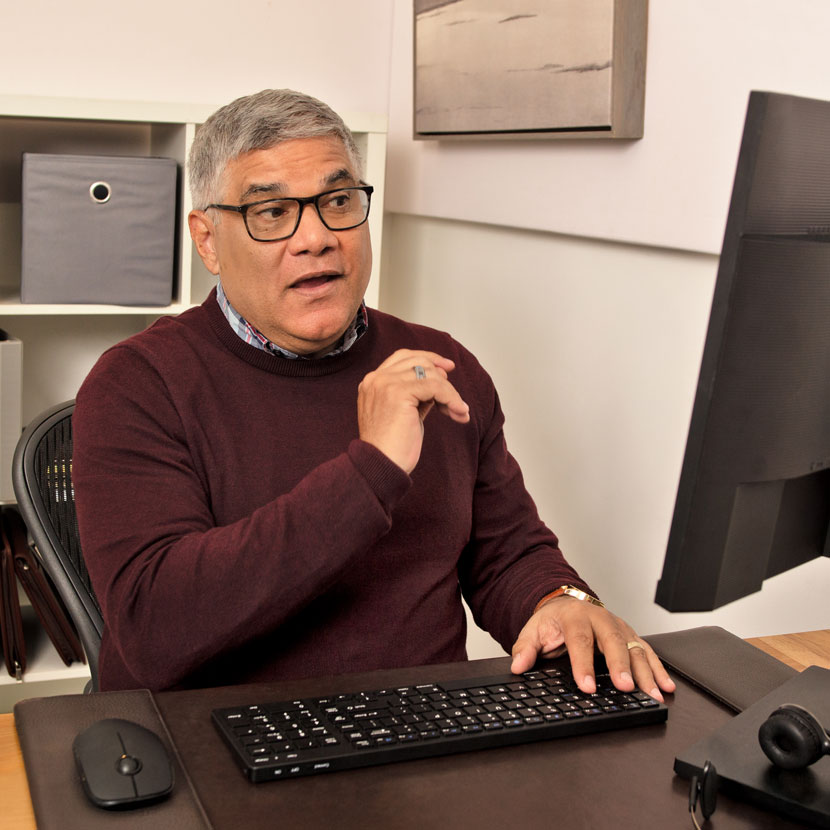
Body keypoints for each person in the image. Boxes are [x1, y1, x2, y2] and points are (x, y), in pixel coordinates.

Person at [73, 89, 675, 702]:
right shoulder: (138, 384)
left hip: (415, 738)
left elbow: (505, 554)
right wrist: (371, 470)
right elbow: (154, 630)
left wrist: (559, 600)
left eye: (337, 201)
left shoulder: (438, 366)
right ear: (207, 241)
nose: (316, 238)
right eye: (273, 213)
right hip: (214, 748)